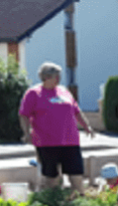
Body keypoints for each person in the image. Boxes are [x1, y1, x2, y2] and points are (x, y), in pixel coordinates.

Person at [18, 62, 94, 195]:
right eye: (56, 76)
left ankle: (79, 200)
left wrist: (86, 126)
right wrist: (27, 132)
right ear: (46, 77)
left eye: (59, 76)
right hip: (47, 142)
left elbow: (76, 111)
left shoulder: (64, 91)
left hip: (70, 140)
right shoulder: (34, 93)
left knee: (76, 173)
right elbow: (23, 114)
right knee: (52, 177)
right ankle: (52, 202)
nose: (59, 79)